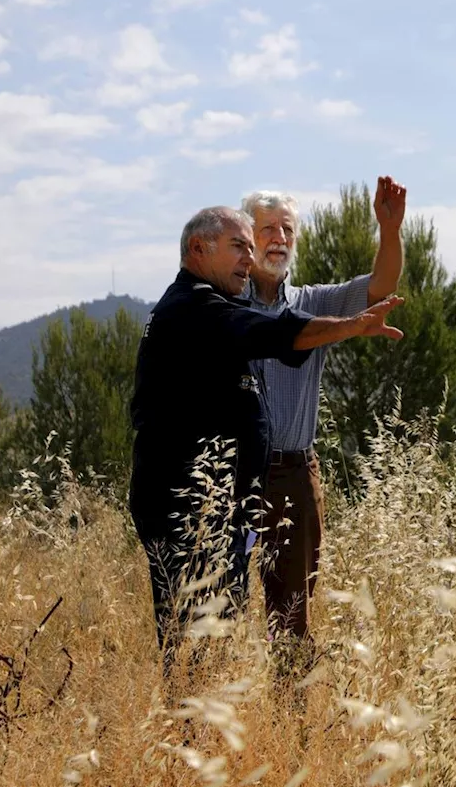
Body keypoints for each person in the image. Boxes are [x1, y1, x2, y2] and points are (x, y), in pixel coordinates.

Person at [128, 205, 404, 668]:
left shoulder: (208, 302)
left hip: (228, 501)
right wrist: (354, 326)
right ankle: (192, 732)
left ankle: (210, 727)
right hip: (192, 507)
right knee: (198, 634)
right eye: (241, 245)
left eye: (252, 248)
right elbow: (271, 333)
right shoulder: (198, 307)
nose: (250, 255)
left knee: (227, 626)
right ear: (199, 249)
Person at [238, 176, 406, 644]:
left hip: (293, 475)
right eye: (268, 228)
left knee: (292, 611)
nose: (280, 239)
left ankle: (289, 710)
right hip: (231, 474)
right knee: (217, 600)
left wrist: (389, 232)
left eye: (287, 230)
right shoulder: (224, 306)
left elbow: (380, 287)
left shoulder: (313, 304)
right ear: (245, 238)